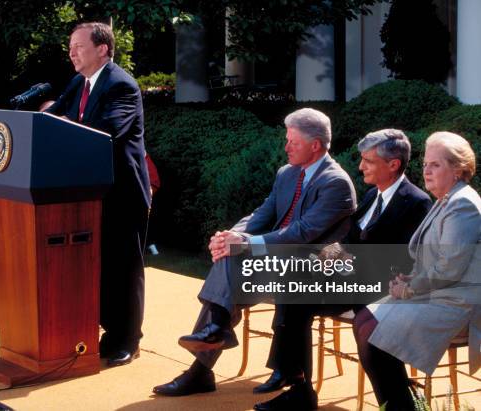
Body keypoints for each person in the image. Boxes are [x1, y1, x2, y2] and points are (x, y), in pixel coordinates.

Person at [153, 108, 357, 397]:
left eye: (293, 143)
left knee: (239, 260)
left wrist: (246, 244)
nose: (286, 147)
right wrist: (231, 236)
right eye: (286, 140)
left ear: (315, 146)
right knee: (230, 256)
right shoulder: (287, 174)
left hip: (317, 267)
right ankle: (213, 337)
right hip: (280, 262)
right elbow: (261, 214)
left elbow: (301, 233)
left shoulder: (336, 183)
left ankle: (210, 346)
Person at [252, 129, 432, 411]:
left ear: (393, 164)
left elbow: (402, 262)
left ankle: (398, 404)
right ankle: (300, 390)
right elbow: (348, 242)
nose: (361, 167)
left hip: (379, 293)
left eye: (368, 161)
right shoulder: (374, 196)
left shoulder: (417, 202)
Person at [47, 22, 151, 367]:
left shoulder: (121, 85)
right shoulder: (79, 82)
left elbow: (104, 133)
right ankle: (108, 332)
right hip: (90, 192)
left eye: (78, 46)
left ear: (103, 49)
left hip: (122, 194)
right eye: (70, 46)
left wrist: (56, 133)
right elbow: (53, 116)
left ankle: (128, 340)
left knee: (124, 268)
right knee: (99, 267)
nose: (72, 52)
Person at [353, 132, 480, 411]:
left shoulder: (463, 204)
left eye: (435, 165)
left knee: (372, 331)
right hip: (438, 292)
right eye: (425, 164)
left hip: (458, 303)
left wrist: (410, 287)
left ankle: (401, 406)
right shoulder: (447, 199)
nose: (426, 171)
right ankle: (403, 404)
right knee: (363, 321)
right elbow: (437, 261)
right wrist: (411, 279)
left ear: (457, 169)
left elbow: (449, 269)